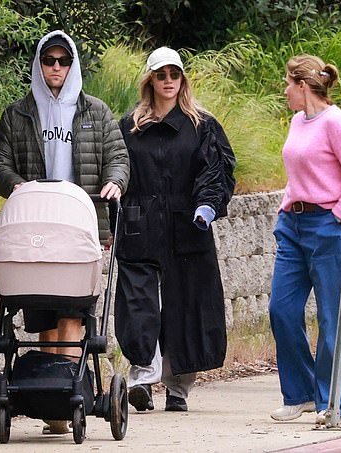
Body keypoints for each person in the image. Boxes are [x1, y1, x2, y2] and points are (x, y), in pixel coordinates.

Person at [0, 30, 129, 433]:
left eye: (62, 61)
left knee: (73, 314)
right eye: (48, 61)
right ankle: (53, 396)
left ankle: (64, 397)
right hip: (37, 229)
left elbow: (118, 156)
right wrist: (15, 184)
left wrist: (116, 181)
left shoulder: (95, 112)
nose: (55, 68)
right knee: (43, 318)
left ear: (73, 65)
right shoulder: (18, 114)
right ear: (39, 64)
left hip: (82, 228)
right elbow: (0, 162)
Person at [114, 47, 236, 413]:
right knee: (139, 303)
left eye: (174, 74)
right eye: (161, 74)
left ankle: (178, 386)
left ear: (183, 79)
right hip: (141, 225)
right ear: (149, 79)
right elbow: (116, 171)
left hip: (188, 225)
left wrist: (207, 205)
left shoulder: (202, 124)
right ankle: (142, 376)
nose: (168, 81)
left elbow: (217, 169)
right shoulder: (130, 126)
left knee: (187, 304)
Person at [268, 54, 341, 424]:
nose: (284, 91)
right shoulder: (298, 121)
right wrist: (285, 206)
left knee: (331, 320)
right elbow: (298, 172)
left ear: (302, 85)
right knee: (281, 310)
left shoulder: (336, 123)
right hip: (293, 228)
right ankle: (299, 393)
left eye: (287, 84)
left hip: (327, 227)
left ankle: (330, 403)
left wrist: (337, 216)